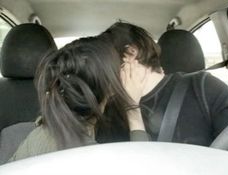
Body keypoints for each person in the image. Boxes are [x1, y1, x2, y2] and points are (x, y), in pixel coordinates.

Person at [9, 36, 149, 162]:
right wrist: (132, 109)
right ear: (111, 87)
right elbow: (143, 168)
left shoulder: (39, 134)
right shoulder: (89, 156)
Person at [96, 21, 228, 146]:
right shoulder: (110, 110)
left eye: (105, 61)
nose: (102, 71)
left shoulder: (203, 87)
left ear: (130, 53)